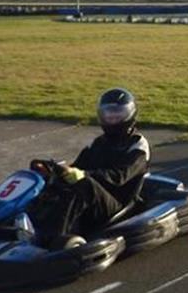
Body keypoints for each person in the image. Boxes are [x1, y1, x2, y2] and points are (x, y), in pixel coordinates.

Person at [39, 88, 150, 247]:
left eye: (118, 113)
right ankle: (28, 226)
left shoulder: (138, 146)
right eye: (108, 113)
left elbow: (119, 177)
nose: (112, 118)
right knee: (53, 184)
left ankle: (54, 237)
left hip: (118, 202)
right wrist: (57, 171)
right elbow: (79, 166)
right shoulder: (99, 143)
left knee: (85, 185)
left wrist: (84, 174)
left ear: (130, 114)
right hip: (97, 199)